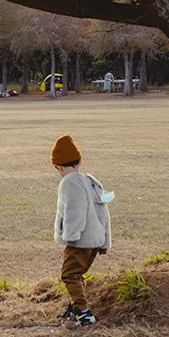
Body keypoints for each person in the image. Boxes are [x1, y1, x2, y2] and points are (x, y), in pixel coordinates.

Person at [51, 134, 114, 326]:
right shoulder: (91, 181)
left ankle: (84, 312)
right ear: (79, 161)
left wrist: (70, 237)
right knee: (76, 275)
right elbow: (103, 211)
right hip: (94, 240)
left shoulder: (69, 183)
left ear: (58, 166)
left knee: (69, 275)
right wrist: (105, 241)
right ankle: (75, 309)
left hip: (79, 240)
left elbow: (74, 212)